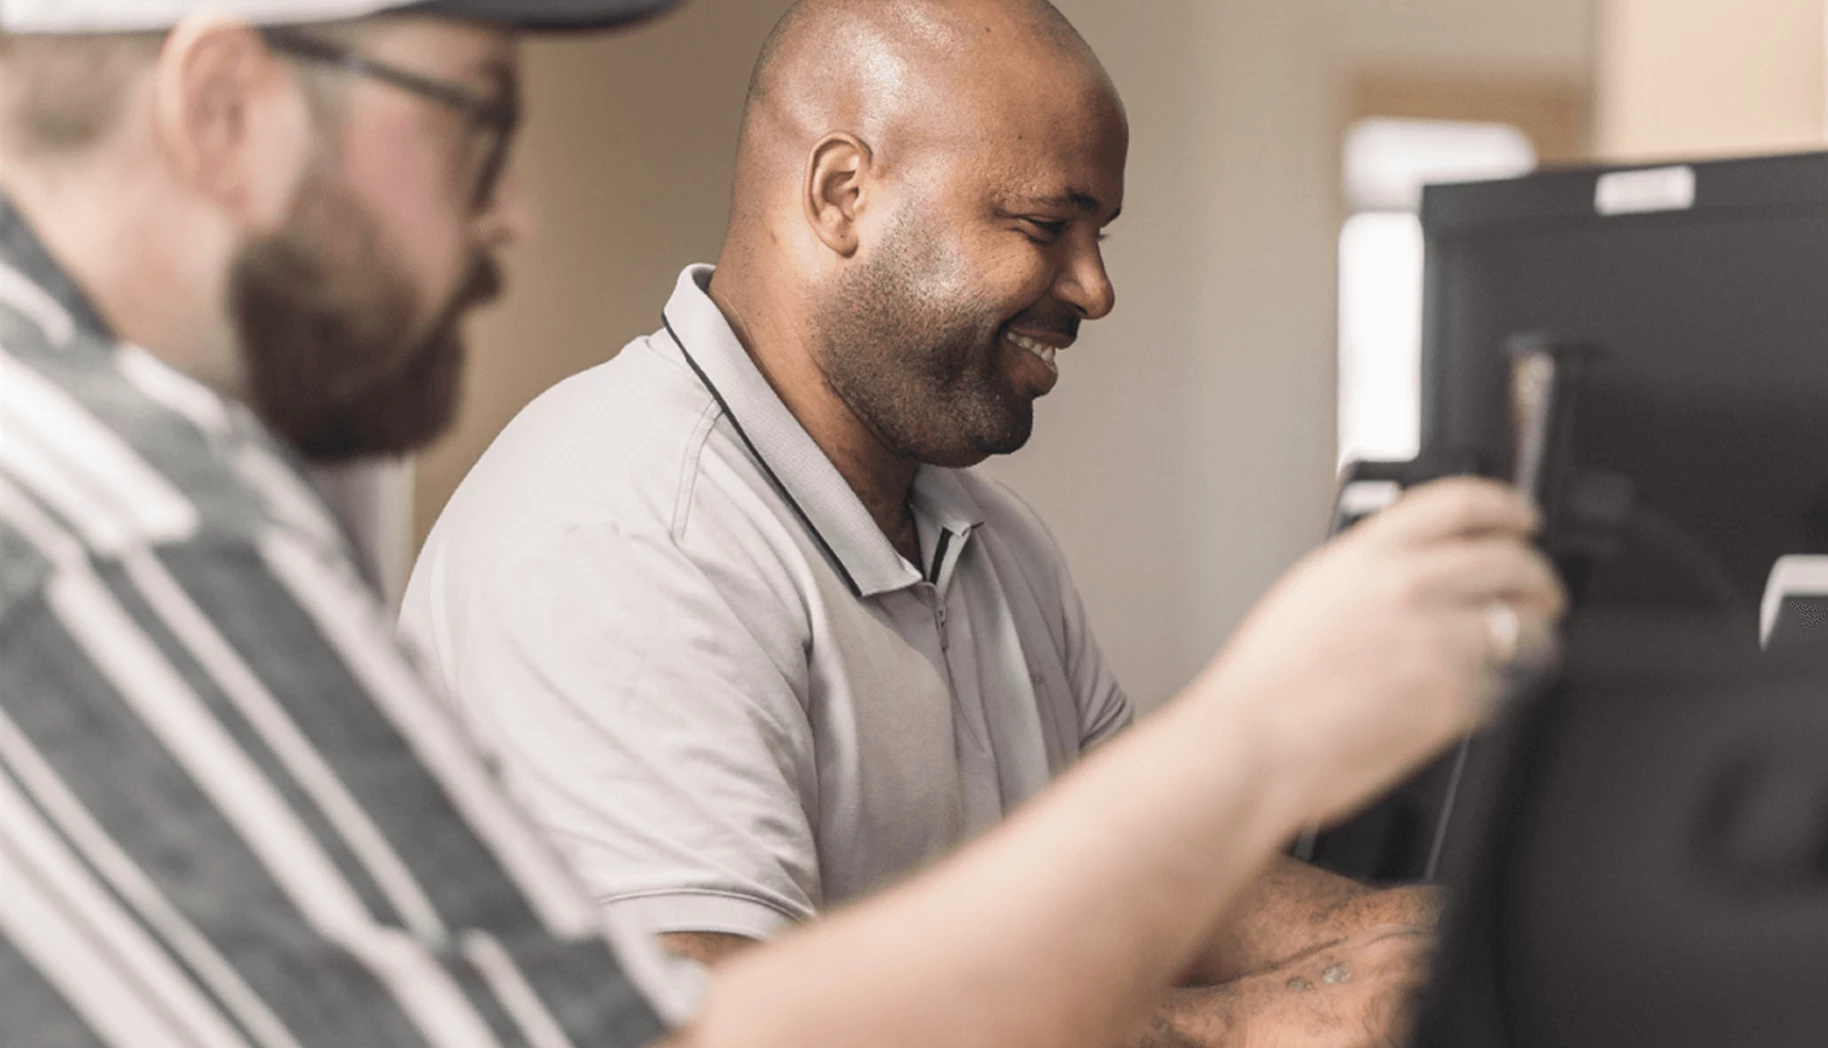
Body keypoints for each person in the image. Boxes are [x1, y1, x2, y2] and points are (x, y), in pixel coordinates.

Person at [0, 2, 1563, 1047]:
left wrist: (1398, 950)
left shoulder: (985, 539)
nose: (514, 214)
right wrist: (1265, 747)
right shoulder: (148, 538)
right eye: (476, 120)